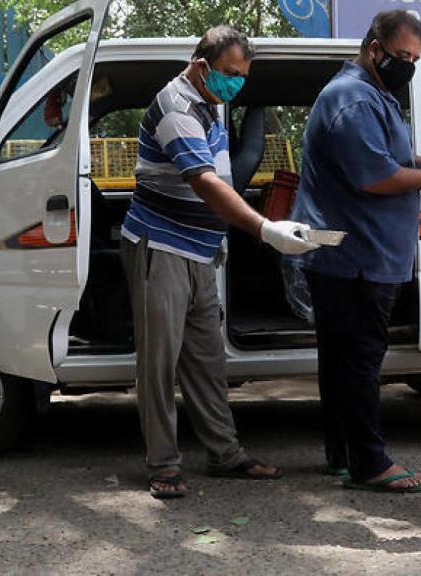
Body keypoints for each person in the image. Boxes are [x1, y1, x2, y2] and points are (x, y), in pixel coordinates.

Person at [119, 25, 319, 499]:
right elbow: (205, 182)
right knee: (159, 364)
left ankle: (224, 454)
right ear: (201, 65)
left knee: (207, 360)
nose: (236, 84)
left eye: (243, 77)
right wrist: (264, 229)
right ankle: (163, 465)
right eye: (230, 73)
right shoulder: (176, 107)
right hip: (161, 247)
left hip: (200, 251)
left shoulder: (210, 105)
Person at [289, 10, 421, 493]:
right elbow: (375, 175)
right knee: (360, 360)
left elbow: (386, 155)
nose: (408, 65)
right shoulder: (353, 99)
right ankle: (370, 463)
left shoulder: (372, 94)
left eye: (415, 58)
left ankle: (344, 455)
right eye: (402, 55)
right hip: (356, 257)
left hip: (354, 254)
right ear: (374, 48)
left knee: (341, 359)